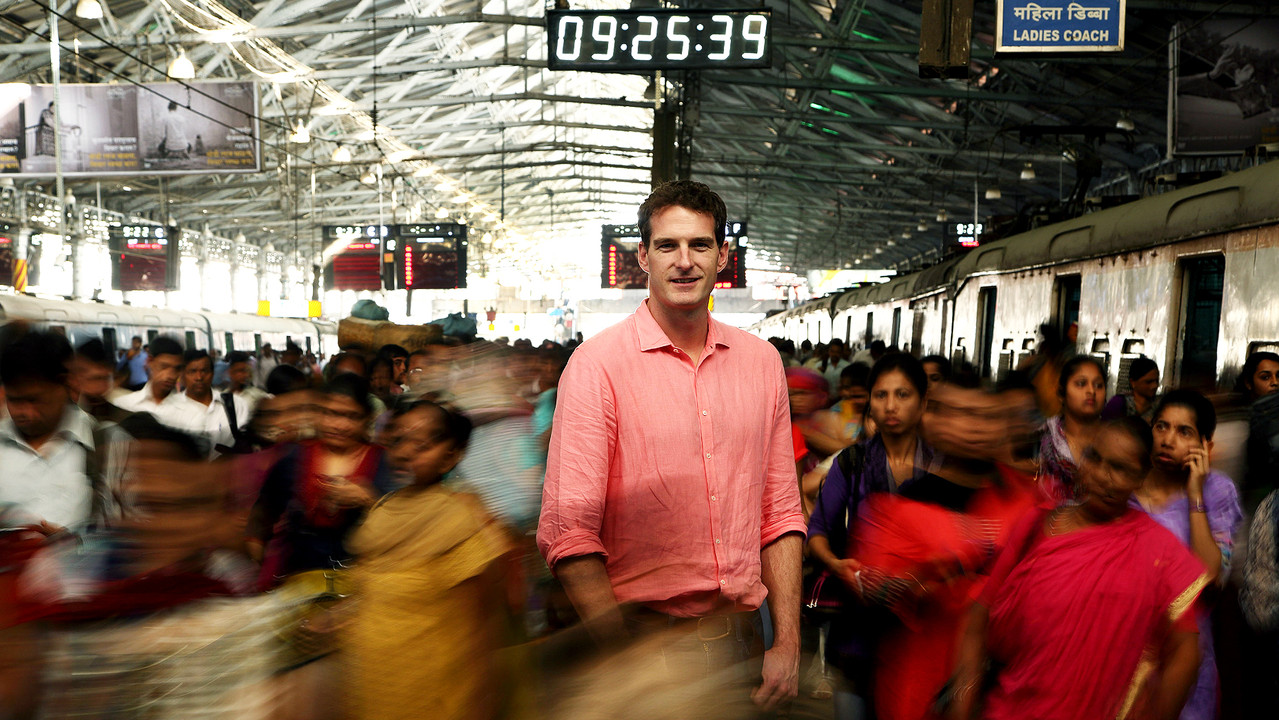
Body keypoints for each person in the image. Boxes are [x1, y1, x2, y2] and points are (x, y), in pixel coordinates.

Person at [537, 180, 806, 711]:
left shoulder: (761, 363)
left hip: (744, 642)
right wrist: (621, 656)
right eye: (667, 246)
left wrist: (789, 642)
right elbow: (568, 533)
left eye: (700, 245)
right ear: (643, 256)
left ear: (723, 255)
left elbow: (780, 514)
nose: (684, 261)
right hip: (643, 645)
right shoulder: (597, 367)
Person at [949, 417, 1208, 720]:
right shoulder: (1036, 524)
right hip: (1009, 708)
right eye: (1094, 458)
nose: (1101, 475)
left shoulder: (1161, 551)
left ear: (1141, 477)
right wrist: (961, 703)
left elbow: (1186, 652)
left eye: (1119, 468)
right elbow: (979, 618)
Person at [343, 400, 513, 720]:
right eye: (397, 441)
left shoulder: (459, 520)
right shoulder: (382, 509)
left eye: (421, 445)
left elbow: (484, 624)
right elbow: (368, 585)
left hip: (434, 691)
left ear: (450, 457)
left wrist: (482, 700)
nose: (406, 452)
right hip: (376, 684)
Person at [805, 353, 942, 719]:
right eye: (881, 395)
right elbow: (817, 531)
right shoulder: (850, 463)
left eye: (903, 394)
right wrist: (836, 564)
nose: (891, 405)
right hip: (857, 637)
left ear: (923, 401)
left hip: (924, 635)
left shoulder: (944, 467)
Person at [1132, 390, 1243, 720]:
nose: (1168, 440)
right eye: (1161, 426)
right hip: (1125, 643)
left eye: (1184, 432)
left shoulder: (1217, 492)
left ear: (1206, 447)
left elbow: (1209, 578)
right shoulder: (1125, 485)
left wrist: (1196, 495)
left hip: (1186, 651)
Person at [247, 374, 398, 590]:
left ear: (368, 419)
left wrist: (371, 501)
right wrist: (257, 563)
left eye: (352, 416)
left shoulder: (384, 462)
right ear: (318, 413)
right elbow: (262, 513)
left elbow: (407, 524)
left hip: (364, 584)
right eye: (331, 414)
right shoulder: (295, 457)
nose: (340, 425)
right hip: (299, 582)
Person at [0, 331, 122, 534]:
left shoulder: (109, 444)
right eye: (14, 400)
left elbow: (133, 537)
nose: (24, 413)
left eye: (35, 400)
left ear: (66, 385)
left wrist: (76, 547)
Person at [1038, 355, 1107, 503]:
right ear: (1062, 394)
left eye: (1099, 385)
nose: (1091, 391)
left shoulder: (1115, 442)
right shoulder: (1042, 438)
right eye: (1081, 384)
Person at [115, 335, 184, 414]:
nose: (170, 375)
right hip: (133, 385)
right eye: (163, 367)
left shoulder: (188, 410)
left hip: (142, 382)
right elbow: (119, 367)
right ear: (149, 362)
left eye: (177, 369)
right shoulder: (126, 405)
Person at [1103, 357, 1161, 423]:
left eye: (1156, 381)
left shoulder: (1160, 405)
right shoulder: (1118, 403)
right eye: (1148, 382)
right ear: (1133, 382)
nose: (1154, 386)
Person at [226, 350, 268, 415]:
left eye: (246, 371)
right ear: (230, 372)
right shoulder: (222, 397)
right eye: (241, 371)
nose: (246, 375)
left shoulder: (256, 395)